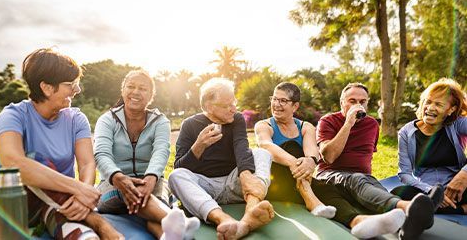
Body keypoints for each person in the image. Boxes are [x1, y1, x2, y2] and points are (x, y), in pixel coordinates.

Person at [0, 48, 122, 239]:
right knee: (33, 159)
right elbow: (13, 162)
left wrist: (82, 198)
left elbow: (86, 164)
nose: (77, 90)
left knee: (82, 235)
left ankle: (92, 230)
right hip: (9, 206)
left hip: (55, 205)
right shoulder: (13, 115)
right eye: (71, 84)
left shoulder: (77, 119)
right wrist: (77, 188)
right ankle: (99, 223)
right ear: (47, 88)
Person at [315, 82, 440, 239]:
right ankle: (408, 208)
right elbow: (329, 156)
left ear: (367, 103)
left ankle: (409, 224)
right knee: (358, 180)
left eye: (362, 101)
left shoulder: (372, 124)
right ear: (342, 102)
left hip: (363, 179)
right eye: (352, 101)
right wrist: (348, 123)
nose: (358, 105)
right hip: (329, 175)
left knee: (374, 189)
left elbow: (367, 157)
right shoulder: (328, 121)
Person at [94, 70, 200, 239]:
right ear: (123, 90)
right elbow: (101, 154)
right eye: (131, 86)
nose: (135, 92)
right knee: (146, 201)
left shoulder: (160, 121)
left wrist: (151, 178)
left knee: (153, 207)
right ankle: (179, 222)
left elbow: (161, 151)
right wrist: (118, 177)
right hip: (112, 184)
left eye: (142, 88)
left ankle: (171, 235)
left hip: (151, 182)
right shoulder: (107, 120)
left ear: (151, 96)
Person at [168, 78, 274, 240]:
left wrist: (245, 175)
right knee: (176, 176)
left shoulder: (237, 119)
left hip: (235, 184)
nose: (233, 109)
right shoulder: (189, 125)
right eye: (227, 105)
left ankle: (250, 213)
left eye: (234, 103)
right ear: (210, 106)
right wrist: (199, 146)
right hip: (205, 188)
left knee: (262, 154)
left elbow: (241, 147)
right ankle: (224, 220)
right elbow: (179, 166)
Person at [254, 82, 336, 218]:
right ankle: (311, 201)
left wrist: (310, 160)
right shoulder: (263, 125)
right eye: (274, 99)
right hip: (273, 185)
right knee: (291, 146)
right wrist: (293, 163)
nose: (276, 104)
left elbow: (312, 152)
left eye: (283, 101)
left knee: (330, 189)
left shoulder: (306, 127)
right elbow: (265, 145)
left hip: (295, 182)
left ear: (295, 106)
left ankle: (355, 220)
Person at [393, 78, 467, 215]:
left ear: (451, 109)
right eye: (428, 101)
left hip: (458, 189)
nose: (430, 107)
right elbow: (404, 173)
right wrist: (431, 191)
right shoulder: (406, 132)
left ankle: (436, 208)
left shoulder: (457, 124)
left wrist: (464, 174)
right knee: (398, 193)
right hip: (425, 190)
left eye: (438, 104)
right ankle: (460, 209)